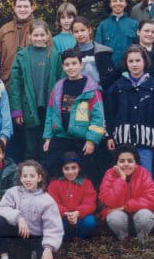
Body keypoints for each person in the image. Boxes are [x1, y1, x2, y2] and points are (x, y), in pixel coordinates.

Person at [42, 48, 106, 184]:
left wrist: (91, 140)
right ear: (63, 66)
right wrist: (48, 137)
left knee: (87, 173)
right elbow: (50, 113)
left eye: (74, 63)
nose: (71, 67)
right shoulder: (58, 87)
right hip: (60, 137)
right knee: (51, 169)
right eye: (67, 64)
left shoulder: (91, 89)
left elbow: (98, 118)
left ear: (81, 64)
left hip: (82, 139)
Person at [105, 45, 154, 172]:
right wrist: (109, 136)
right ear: (126, 63)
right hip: (122, 144)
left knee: (144, 178)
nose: (134, 64)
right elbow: (109, 113)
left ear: (145, 62)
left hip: (145, 145)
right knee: (123, 179)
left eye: (138, 60)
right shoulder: (117, 87)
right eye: (131, 61)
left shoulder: (153, 87)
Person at [0, 160, 64, 259]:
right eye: (24, 176)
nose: (28, 179)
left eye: (32, 176)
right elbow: (1, 208)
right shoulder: (13, 192)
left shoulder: (47, 200)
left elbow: (53, 227)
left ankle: (33, 256)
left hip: (35, 237)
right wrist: (18, 218)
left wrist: (48, 248)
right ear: (20, 177)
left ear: (39, 177)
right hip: (16, 233)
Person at [8, 21, 64, 161]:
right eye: (36, 35)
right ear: (30, 36)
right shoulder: (21, 56)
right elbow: (15, 85)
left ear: (48, 35)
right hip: (28, 107)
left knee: (47, 144)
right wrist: (17, 110)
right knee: (30, 146)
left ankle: (45, 172)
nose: (39, 38)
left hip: (49, 107)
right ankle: (30, 171)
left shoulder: (55, 55)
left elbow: (61, 82)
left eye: (42, 35)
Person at [99, 144, 154, 243]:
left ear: (136, 163)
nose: (126, 164)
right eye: (121, 161)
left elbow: (153, 199)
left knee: (145, 216)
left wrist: (126, 206)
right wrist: (121, 179)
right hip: (120, 218)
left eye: (130, 161)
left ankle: (142, 241)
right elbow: (107, 201)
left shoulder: (143, 173)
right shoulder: (109, 174)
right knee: (114, 218)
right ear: (116, 163)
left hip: (138, 214)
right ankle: (124, 240)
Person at [0, 0, 46, 86]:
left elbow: (48, 55)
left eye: (26, 6)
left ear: (32, 8)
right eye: (19, 6)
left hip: (33, 81)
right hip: (7, 82)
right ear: (14, 8)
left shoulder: (40, 29)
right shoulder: (4, 30)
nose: (22, 10)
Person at [46, 152, 98, 240]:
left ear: (79, 168)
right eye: (66, 168)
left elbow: (90, 203)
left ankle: (81, 238)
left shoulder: (86, 183)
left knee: (90, 222)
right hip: (62, 216)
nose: (70, 172)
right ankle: (64, 238)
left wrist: (78, 212)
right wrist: (65, 213)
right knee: (53, 222)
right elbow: (52, 202)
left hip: (80, 216)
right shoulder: (54, 183)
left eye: (74, 168)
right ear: (62, 169)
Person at [71, 16, 120, 91]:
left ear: (89, 30)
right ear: (72, 33)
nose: (80, 34)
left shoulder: (103, 52)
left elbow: (111, 78)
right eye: (76, 32)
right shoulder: (71, 55)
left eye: (82, 30)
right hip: (79, 93)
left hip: (100, 92)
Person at [95, 0, 138, 68]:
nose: (118, 3)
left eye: (121, 0)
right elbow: (98, 52)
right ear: (110, 4)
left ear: (126, 3)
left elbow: (139, 49)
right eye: (114, 1)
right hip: (109, 69)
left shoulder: (134, 24)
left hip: (129, 69)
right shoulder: (103, 26)